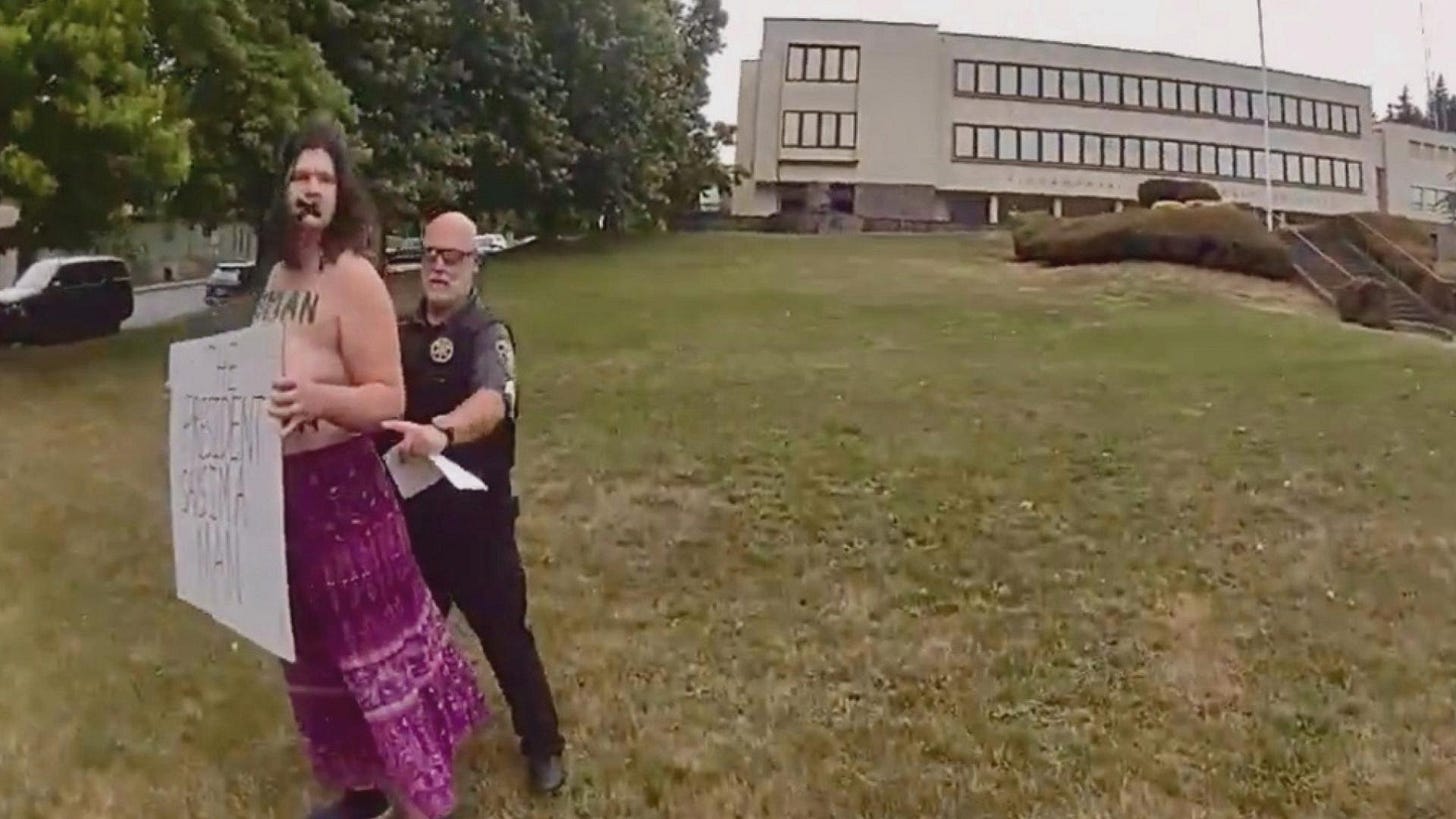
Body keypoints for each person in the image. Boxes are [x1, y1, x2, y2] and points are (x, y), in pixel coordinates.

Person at [255, 120, 486, 819]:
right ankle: (361, 794)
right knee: (317, 658)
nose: (312, 189)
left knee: (377, 659)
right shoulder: (275, 277)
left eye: (325, 178)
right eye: (301, 176)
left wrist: (321, 398)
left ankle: (427, 801)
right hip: (284, 500)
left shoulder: (354, 278)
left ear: (341, 192)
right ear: (283, 189)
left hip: (345, 493)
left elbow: (390, 396)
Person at [378, 211, 567, 795]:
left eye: (452, 256)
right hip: (416, 526)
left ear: (474, 265)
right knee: (408, 649)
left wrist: (443, 431)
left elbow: (491, 402)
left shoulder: (488, 335)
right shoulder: (401, 335)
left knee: (507, 639)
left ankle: (544, 746)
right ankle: (411, 751)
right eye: (430, 253)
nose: (438, 265)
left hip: (479, 527)